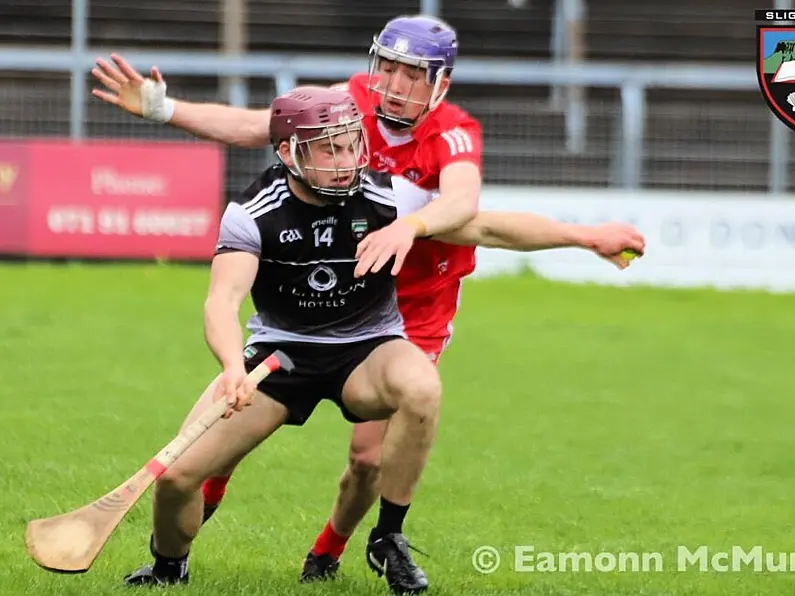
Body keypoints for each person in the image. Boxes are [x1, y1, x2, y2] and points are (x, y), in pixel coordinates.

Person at [92, 14, 646, 585]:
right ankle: (192, 517)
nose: (393, 86)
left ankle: (355, 545)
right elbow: (255, 128)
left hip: (402, 313)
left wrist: (418, 226)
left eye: (413, 74)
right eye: (388, 68)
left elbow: (471, 214)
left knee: (369, 455)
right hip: (305, 317)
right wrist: (164, 109)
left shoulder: (440, 146)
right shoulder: (325, 127)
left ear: (441, 82)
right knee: (200, 458)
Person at [124, 85, 457, 594]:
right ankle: (169, 565)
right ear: (288, 153)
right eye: (329, 148)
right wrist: (233, 366)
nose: (346, 160)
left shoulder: (388, 194)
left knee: (422, 386)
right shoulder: (254, 211)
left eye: (350, 145)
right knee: (174, 478)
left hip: (367, 352)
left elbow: (492, 227)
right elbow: (222, 301)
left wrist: (585, 237)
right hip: (278, 360)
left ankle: (388, 534)